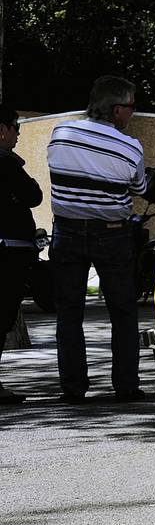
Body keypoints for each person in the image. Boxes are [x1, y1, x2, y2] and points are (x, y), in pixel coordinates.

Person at [46, 76, 148, 402]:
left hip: (66, 230)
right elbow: (140, 189)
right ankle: (126, 386)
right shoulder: (130, 147)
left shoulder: (60, 133)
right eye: (131, 107)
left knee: (69, 314)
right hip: (112, 234)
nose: (133, 113)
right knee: (122, 311)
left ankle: (73, 389)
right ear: (118, 110)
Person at [0, 107, 43, 404]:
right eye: (16, 127)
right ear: (2, 129)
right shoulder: (6, 162)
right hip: (7, 252)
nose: (18, 133)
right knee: (1, 319)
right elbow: (33, 195)